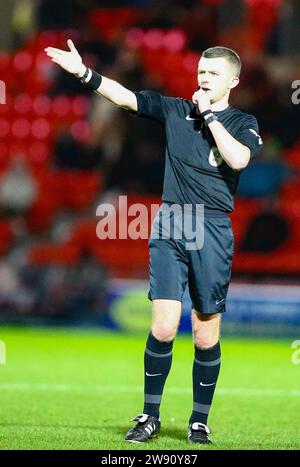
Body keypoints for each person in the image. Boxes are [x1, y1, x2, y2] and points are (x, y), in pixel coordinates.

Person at [45, 40, 263, 444]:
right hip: (171, 223)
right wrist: (82, 73)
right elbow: (125, 98)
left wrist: (211, 117)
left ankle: (199, 420)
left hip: (212, 228)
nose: (203, 77)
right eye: (201, 70)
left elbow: (238, 160)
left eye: (213, 73)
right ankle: (149, 416)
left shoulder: (241, 121)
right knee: (163, 326)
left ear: (232, 80)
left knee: (204, 334)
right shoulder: (175, 110)